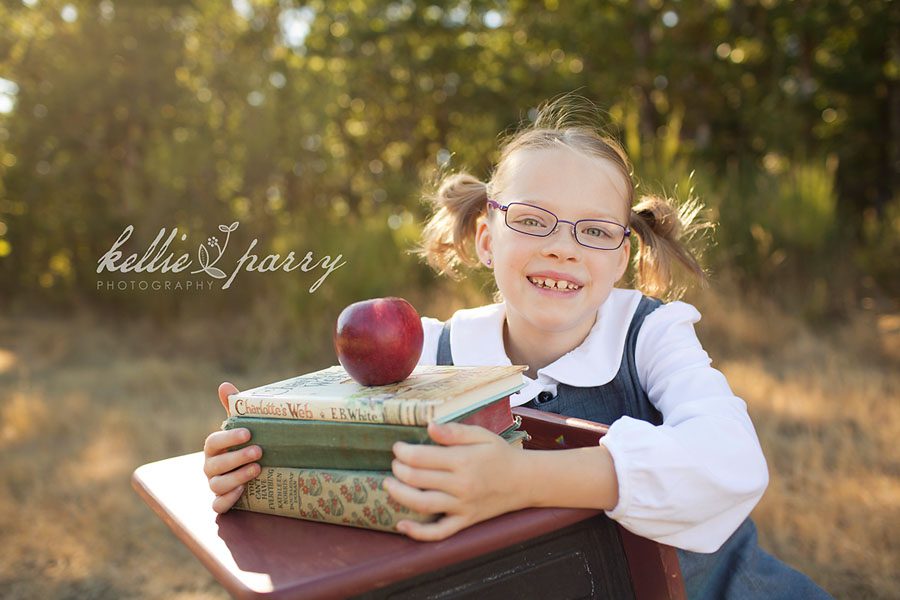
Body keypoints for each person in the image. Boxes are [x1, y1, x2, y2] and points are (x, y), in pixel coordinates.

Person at [203, 98, 831, 598]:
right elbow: (353, 465)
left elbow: (730, 461)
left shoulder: (651, 334)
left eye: (593, 230)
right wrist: (258, 465)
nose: (563, 246)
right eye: (532, 220)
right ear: (486, 238)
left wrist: (521, 478)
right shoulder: (433, 351)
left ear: (621, 258)